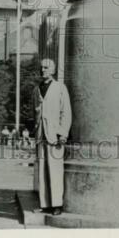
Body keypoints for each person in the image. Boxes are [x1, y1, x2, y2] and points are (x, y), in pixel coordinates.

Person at [33, 59, 72, 216]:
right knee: (42, 170)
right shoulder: (36, 89)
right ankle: (45, 204)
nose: (43, 70)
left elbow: (66, 111)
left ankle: (57, 204)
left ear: (53, 70)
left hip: (55, 135)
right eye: (41, 67)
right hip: (41, 134)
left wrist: (63, 133)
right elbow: (33, 112)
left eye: (46, 68)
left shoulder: (60, 88)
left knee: (55, 170)